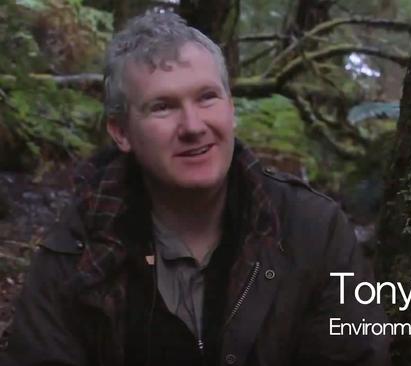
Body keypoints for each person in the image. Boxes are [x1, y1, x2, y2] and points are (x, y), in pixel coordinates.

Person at [1, 12, 389, 366]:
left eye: (206, 97)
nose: (192, 125)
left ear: (230, 107)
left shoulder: (313, 232)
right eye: (162, 107)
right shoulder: (76, 253)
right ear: (121, 132)